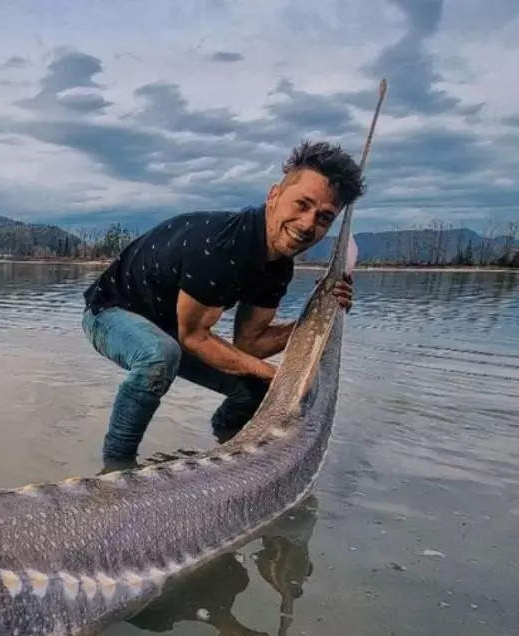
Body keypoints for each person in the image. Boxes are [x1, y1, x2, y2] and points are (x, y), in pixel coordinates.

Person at [81, 140, 364, 471]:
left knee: (256, 386)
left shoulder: (278, 267)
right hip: (110, 312)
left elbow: (250, 344)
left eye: (324, 217)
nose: (307, 224)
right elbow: (193, 339)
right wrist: (282, 378)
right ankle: (115, 468)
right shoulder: (222, 246)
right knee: (159, 356)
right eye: (301, 204)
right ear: (274, 196)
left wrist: (320, 316)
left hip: (171, 328)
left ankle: (227, 455)